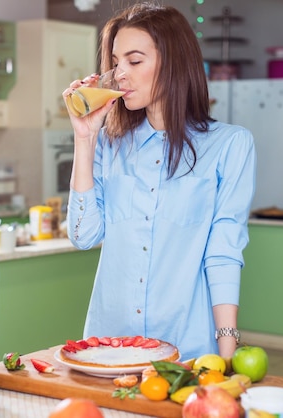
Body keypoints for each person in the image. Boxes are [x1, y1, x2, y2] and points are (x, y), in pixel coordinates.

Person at [61, 2, 256, 362]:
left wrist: (227, 356)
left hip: (187, 348)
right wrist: (85, 138)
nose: (120, 74)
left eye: (134, 61)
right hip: (108, 348)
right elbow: (83, 236)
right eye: (116, 63)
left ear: (174, 61)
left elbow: (224, 252)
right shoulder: (109, 143)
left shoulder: (230, 145)